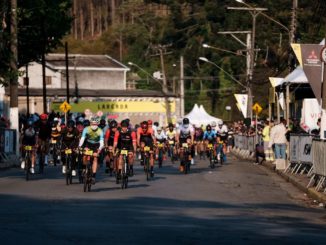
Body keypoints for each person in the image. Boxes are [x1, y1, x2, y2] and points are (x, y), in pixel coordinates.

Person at [78, 116, 104, 184]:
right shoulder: (86, 129)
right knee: (84, 155)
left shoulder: (100, 131)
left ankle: (94, 176)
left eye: (95, 124)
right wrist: (80, 146)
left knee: (95, 158)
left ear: (98, 124)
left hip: (96, 145)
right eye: (92, 124)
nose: (94, 125)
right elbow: (82, 139)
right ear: (90, 124)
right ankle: (85, 168)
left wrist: (99, 150)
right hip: (88, 144)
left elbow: (101, 143)